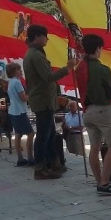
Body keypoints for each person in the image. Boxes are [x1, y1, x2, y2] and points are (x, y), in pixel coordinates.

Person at [23, 24, 77, 180]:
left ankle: (55, 164)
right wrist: (67, 68)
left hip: (45, 100)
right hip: (43, 101)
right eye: (45, 36)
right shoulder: (36, 55)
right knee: (43, 136)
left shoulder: (34, 54)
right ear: (37, 37)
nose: (47, 39)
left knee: (50, 134)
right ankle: (40, 168)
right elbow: (48, 77)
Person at [76, 34, 111, 196]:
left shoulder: (79, 67)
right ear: (98, 48)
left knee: (94, 148)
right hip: (103, 110)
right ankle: (105, 183)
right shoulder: (102, 69)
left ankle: (99, 181)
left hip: (87, 111)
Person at [5, 63, 34, 166]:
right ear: (14, 72)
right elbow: (23, 97)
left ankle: (20, 158)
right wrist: (31, 94)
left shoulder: (10, 82)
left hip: (13, 111)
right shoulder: (17, 82)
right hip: (20, 111)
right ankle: (30, 157)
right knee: (30, 133)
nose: (21, 72)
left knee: (18, 134)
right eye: (19, 70)